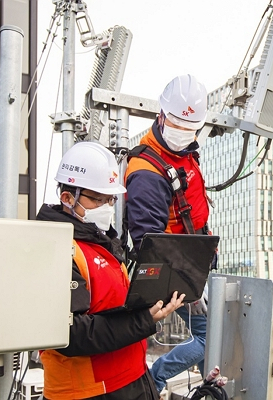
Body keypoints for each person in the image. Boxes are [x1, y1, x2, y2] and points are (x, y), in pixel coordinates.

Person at [37, 141, 185, 399]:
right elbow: (70, 334)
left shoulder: (101, 243)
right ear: (67, 197)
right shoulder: (55, 247)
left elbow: (113, 305)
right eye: (97, 199)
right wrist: (144, 320)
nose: (106, 206)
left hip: (133, 377)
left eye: (110, 199)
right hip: (88, 391)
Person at [125, 74, 212, 395]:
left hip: (194, 266)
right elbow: (152, 243)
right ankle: (155, 379)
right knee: (209, 339)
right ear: (160, 116)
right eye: (177, 124)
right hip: (181, 272)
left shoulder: (182, 152)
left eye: (190, 128)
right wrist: (190, 285)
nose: (183, 133)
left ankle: (210, 386)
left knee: (211, 340)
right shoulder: (147, 171)